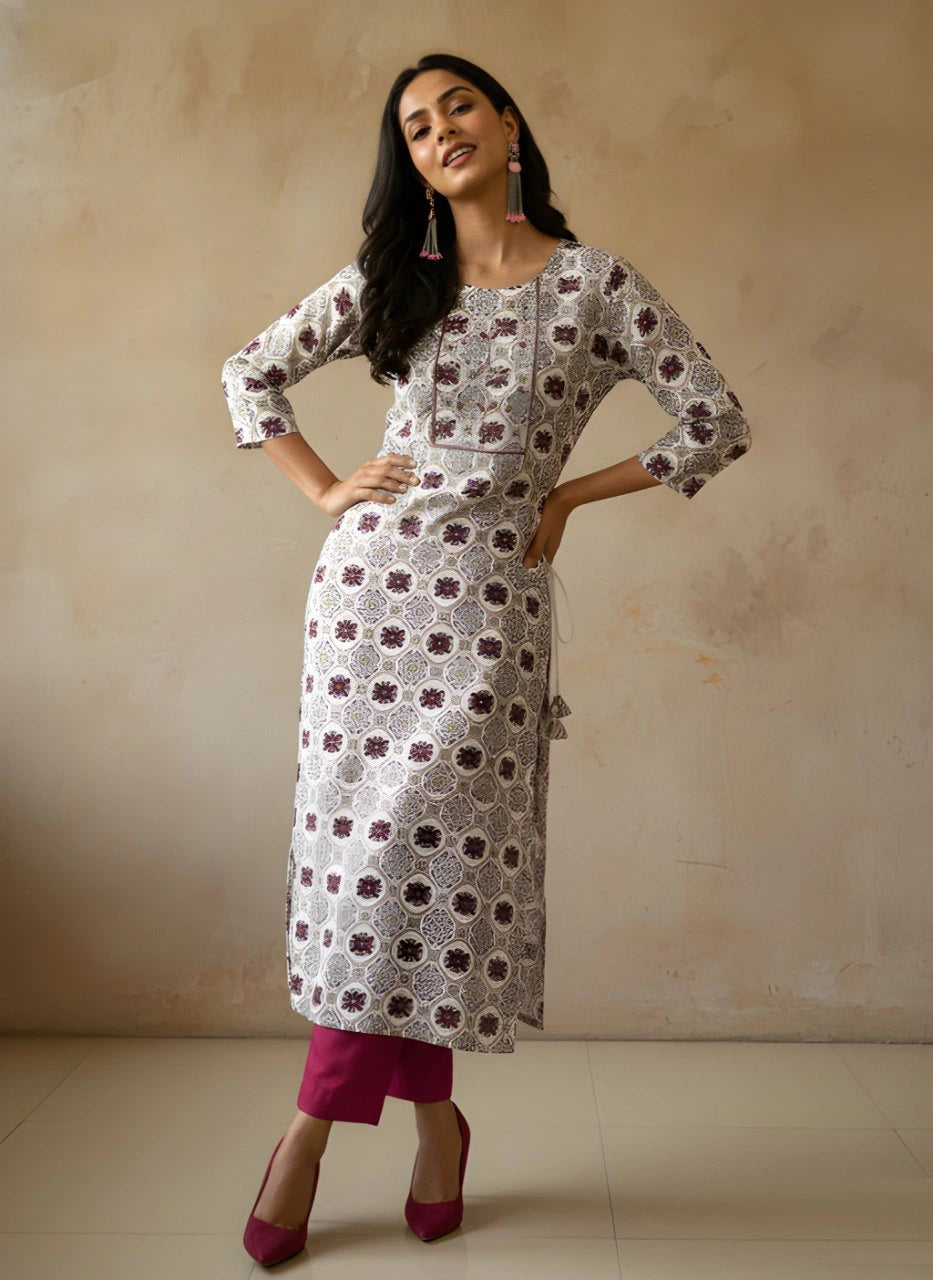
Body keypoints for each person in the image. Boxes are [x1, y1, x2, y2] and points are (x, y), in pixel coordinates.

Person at [221, 52, 752, 1266]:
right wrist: (325, 489)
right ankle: (431, 1122)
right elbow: (249, 372)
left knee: (428, 879)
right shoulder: (388, 281)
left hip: (487, 625)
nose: (439, 130)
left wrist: (575, 489)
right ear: (407, 161)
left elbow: (718, 417)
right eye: (414, 125)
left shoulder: (596, 285)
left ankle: (306, 1135)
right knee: (368, 870)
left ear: (509, 121)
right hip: (364, 613)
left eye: (458, 104)